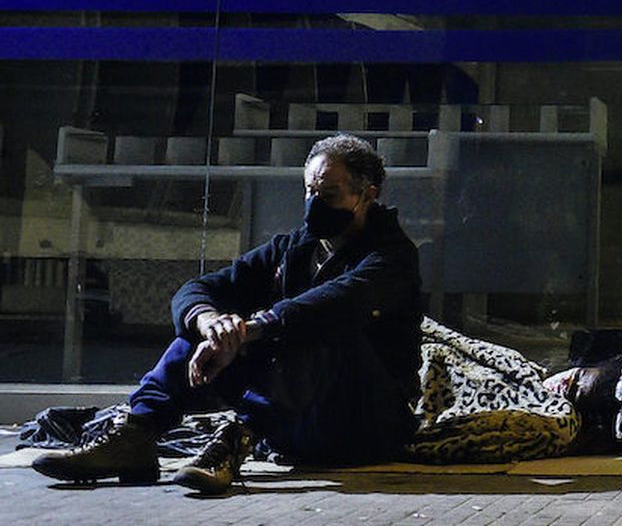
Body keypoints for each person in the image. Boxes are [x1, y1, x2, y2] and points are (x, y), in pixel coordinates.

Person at [33, 133, 424, 493]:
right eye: (309, 191)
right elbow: (200, 289)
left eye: (330, 194)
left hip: (367, 424)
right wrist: (211, 323)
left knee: (320, 325)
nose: (314, 204)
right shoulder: (292, 249)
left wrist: (250, 329)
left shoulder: (392, 256)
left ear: (367, 194)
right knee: (200, 329)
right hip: (294, 424)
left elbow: (338, 301)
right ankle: (139, 433)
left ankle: (235, 441)